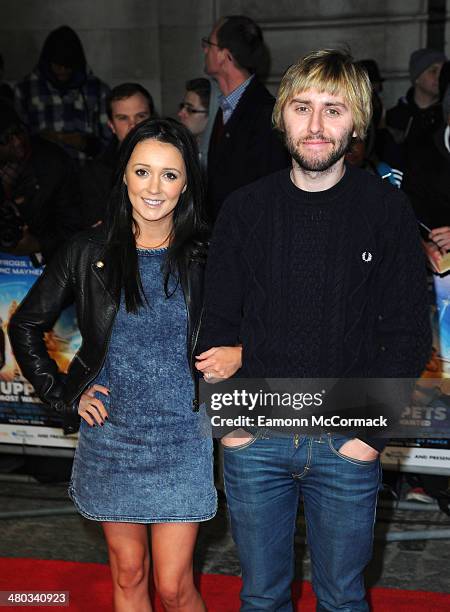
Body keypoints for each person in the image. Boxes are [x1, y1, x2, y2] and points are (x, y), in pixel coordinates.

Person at [197, 49, 431, 611]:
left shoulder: (386, 209)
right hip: (255, 437)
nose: (318, 125)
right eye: (303, 107)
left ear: (356, 121)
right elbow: (214, 323)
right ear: (282, 117)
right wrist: (231, 429)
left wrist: (366, 437)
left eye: (334, 109)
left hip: (345, 440)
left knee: (344, 599)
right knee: (261, 598)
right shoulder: (245, 209)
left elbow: (406, 334)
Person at [9, 118, 241, 611]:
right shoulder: (86, 251)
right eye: (142, 171)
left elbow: (259, 319)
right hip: (113, 435)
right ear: (124, 176)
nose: (154, 188)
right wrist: (65, 394)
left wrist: (241, 353)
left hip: (183, 435)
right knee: (130, 575)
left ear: (187, 183)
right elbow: (25, 324)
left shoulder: (208, 252)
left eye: (170, 175)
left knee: (175, 587)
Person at [203, 15, 289, 220]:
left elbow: (270, 194)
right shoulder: (226, 105)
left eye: (209, 44)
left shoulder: (266, 113)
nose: (205, 50)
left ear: (224, 55)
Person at [14, 25, 110, 164]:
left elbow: (108, 144)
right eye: (58, 64)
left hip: (85, 173)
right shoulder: (25, 90)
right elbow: (17, 143)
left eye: (68, 65)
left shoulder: (98, 90)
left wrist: (82, 143)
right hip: (41, 175)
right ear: (48, 62)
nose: (63, 70)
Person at [0, 99, 81, 263]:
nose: (17, 141)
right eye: (5, 139)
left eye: (18, 131)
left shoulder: (54, 163)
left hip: (46, 263)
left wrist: (37, 243)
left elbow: (75, 228)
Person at [80, 82, 155, 226]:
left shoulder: (176, 161)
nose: (133, 125)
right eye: (123, 118)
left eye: (141, 116)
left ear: (152, 118)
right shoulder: (94, 173)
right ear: (111, 125)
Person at [383, 47, 447, 173]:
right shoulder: (396, 116)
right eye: (433, 71)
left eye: (443, 71)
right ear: (417, 77)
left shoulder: (445, 116)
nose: (439, 76)